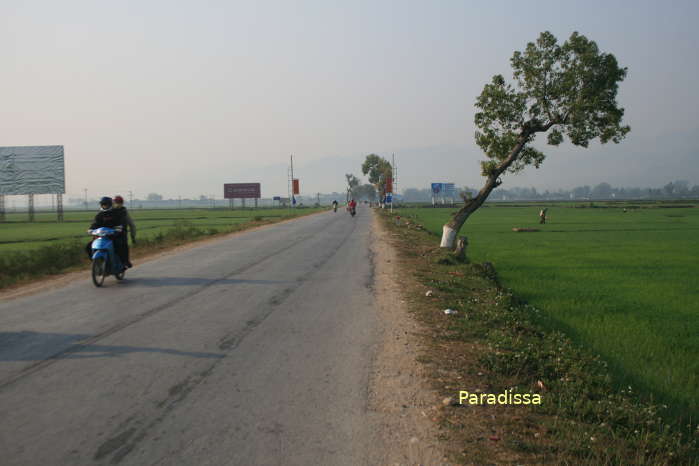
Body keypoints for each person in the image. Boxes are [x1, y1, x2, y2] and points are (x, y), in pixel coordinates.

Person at [85, 197, 127, 267]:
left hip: (113, 236)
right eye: (103, 204)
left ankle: (122, 263)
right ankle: (95, 262)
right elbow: (95, 224)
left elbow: (119, 223)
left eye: (106, 204)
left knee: (120, 245)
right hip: (100, 236)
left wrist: (118, 229)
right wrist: (90, 230)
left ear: (110, 204)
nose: (104, 206)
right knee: (88, 246)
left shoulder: (116, 213)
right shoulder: (99, 215)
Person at [113, 195, 136, 268]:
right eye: (116, 202)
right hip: (109, 232)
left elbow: (131, 224)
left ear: (122, 203)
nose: (118, 204)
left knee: (123, 246)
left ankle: (125, 261)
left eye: (119, 202)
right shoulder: (108, 211)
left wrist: (133, 236)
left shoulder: (124, 211)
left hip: (121, 233)